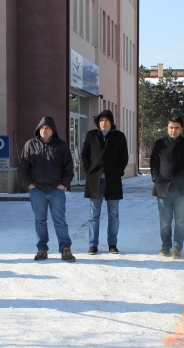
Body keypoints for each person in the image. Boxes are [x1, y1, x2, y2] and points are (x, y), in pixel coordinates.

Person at [19, 116, 75, 262]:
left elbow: (69, 167)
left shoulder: (61, 146)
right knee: (40, 221)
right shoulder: (30, 145)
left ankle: (65, 249)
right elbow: (24, 166)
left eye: (48, 127)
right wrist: (29, 183)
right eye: (42, 127)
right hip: (37, 190)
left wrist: (63, 184)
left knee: (60, 221)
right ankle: (42, 249)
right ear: (39, 129)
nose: (45, 130)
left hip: (56, 190)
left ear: (53, 130)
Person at [81, 110, 129, 255]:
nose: (104, 122)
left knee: (113, 214)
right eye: (101, 120)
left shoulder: (118, 136)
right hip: (95, 181)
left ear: (111, 122)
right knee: (94, 215)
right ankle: (93, 245)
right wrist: (90, 171)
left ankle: (112, 244)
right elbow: (84, 155)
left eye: (106, 120)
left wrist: (118, 172)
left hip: (112, 181)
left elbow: (124, 156)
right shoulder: (91, 135)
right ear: (98, 122)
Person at [150, 114, 184, 259]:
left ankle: (177, 248)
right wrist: (156, 179)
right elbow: (153, 163)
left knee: (180, 221)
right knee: (165, 222)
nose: (173, 130)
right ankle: (165, 247)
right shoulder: (160, 144)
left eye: (177, 128)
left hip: (181, 189)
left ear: (181, 129)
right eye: (171, 127)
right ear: (167, 128)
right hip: (163, 188)